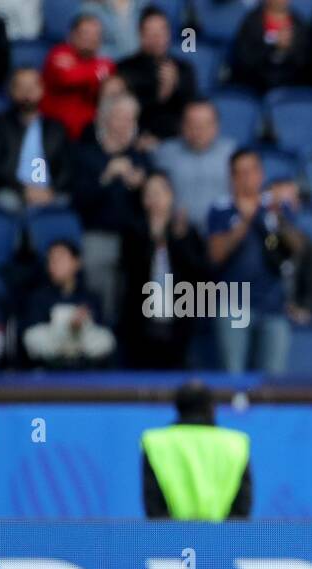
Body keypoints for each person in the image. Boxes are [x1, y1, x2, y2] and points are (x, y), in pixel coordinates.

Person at [206, 148, 305, 373]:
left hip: (273, 304)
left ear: (260, 174)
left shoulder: (276, 207)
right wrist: (245, 219)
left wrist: (276, 217)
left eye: (251, 172)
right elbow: (216, 255)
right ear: (231, 177)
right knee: (233, 376)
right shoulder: (221, 208)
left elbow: (297, 247)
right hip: (233, 304)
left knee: (274, 382)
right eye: (240, 173)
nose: (246, 178)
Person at [72, 91, 151, 328]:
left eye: (131, 119)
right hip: (98, 237)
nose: (126, 125)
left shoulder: (140, 158)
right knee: (100, 307)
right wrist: (106, 177)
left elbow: (154, 201)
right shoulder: (86, 154)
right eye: (120, 118)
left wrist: (143, 186)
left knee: (131, 308)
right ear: (105, 119)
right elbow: (78, 201)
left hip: (135, 244)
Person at [118, 171, 207, 369]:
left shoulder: (185, 231)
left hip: (180, 321)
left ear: (171, 196)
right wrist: (152, 239)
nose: (155, 199)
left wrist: (179, 240)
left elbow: (199, 273)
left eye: (160, 192)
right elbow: (130, 273)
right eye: (150, 193)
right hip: (141, 323)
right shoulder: (134, 232)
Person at [141, 379, 253, 520]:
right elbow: (241, 510)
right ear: (212, 408)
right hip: (223, 539)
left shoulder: (156, 443)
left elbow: (154, 508)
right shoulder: (236, 444)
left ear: (178, 407)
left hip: (172, 540)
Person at [20, 239, 116, 367]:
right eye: (51, 260)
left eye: (60, 259)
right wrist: (65, 327)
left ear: (76, 262)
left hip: (82, 351)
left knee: (106, 339)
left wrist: (81, 324)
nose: (54, 265)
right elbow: (33, 336)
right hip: (53, 353)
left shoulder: (90, 297)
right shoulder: (39, 297)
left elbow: (103, 335)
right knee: (33, 336)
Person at [0, 67, 73, 212]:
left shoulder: (56, 128)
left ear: (42, 88)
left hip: (50, 192)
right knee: (5, 203)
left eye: (32, 86)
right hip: (12, 190)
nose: (27, 92)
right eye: (21, 86)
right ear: (11, 90)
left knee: (68, 203)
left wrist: (51, 191)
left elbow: (67, 168)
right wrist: (23, 189)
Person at [117, 5, 198, 144]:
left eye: (162, 31)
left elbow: (191, 108)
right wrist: (161, 93)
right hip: (136, 139)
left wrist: (175, 86)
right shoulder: (125, 68)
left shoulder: (184, 68)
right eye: (151, 33)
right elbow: (124, 112)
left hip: (177, 141)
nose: (157, 38)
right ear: (140, 35)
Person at [153, 100, 235, 231]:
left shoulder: (232, 154)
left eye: (205, 125)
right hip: (178, 235)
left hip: (223, 235)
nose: (198, 131)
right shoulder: (165, 153)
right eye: (192, 124)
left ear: (216, 126)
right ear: (182, 125)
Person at [41, 13, 116, 140]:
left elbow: (110, 87)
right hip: (54, 132)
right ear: (72, 35)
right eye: (85, 33)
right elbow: (68, 78)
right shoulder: (58, 53)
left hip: (89, 133)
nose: (91, 38)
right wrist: (95, 74)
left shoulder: (105, 63)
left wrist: (77, 69)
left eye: (96, 34)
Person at [230, 0, 310, 94]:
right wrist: (272, 45)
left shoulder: (299, 23)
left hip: (290, 85)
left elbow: (306, 59)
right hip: (254, 85)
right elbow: (244, 58)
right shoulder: (251, 21)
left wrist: (289, 49)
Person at [80, 0, 149, 61]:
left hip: (140, 66)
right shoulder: (92, 8)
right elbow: (86, 45)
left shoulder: (143, 4)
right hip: (107, 66)